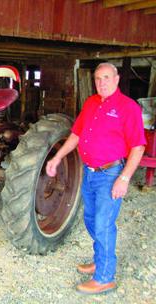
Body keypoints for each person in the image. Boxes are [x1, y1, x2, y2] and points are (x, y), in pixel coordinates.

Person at [46, 62, 146, 295]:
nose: (101, 83)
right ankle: (100, 260)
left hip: (110, 174)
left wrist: (124, 178)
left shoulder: (128, 108)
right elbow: (76, 135)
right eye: (98, 79)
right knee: (91, 219)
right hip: (89, 173)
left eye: (106, 78)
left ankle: (104, 277)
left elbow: (138, 147)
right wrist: (57, 158)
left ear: (117, 79)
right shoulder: (91, 103)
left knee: (103, 223)